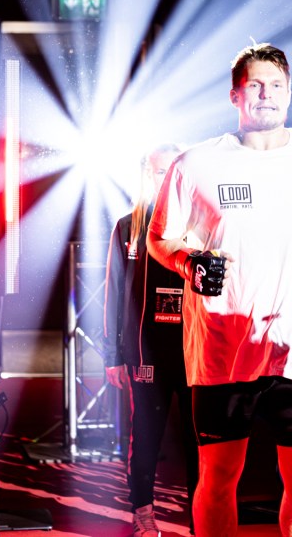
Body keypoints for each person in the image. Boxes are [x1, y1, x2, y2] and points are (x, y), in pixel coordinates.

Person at [146, 43, 292, 537]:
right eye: (256, 85)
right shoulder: (196, 163)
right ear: (235, 95)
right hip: (224, 348)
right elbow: (159, 238)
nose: (267, 94)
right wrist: (187, 262)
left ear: (290, 93)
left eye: (277, 85)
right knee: (218, 479)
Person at [103, 144, 198, 537]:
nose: (167, 179)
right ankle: (143, 514)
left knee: (199, 443)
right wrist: (112, 354)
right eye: (160, 172)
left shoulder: (198, 224)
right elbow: (114, 293)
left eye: (173, 171)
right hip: (146, 353)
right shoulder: (129, 228)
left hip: (194, 353)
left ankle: (201, 519)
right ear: (147, 175)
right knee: (145, 438)